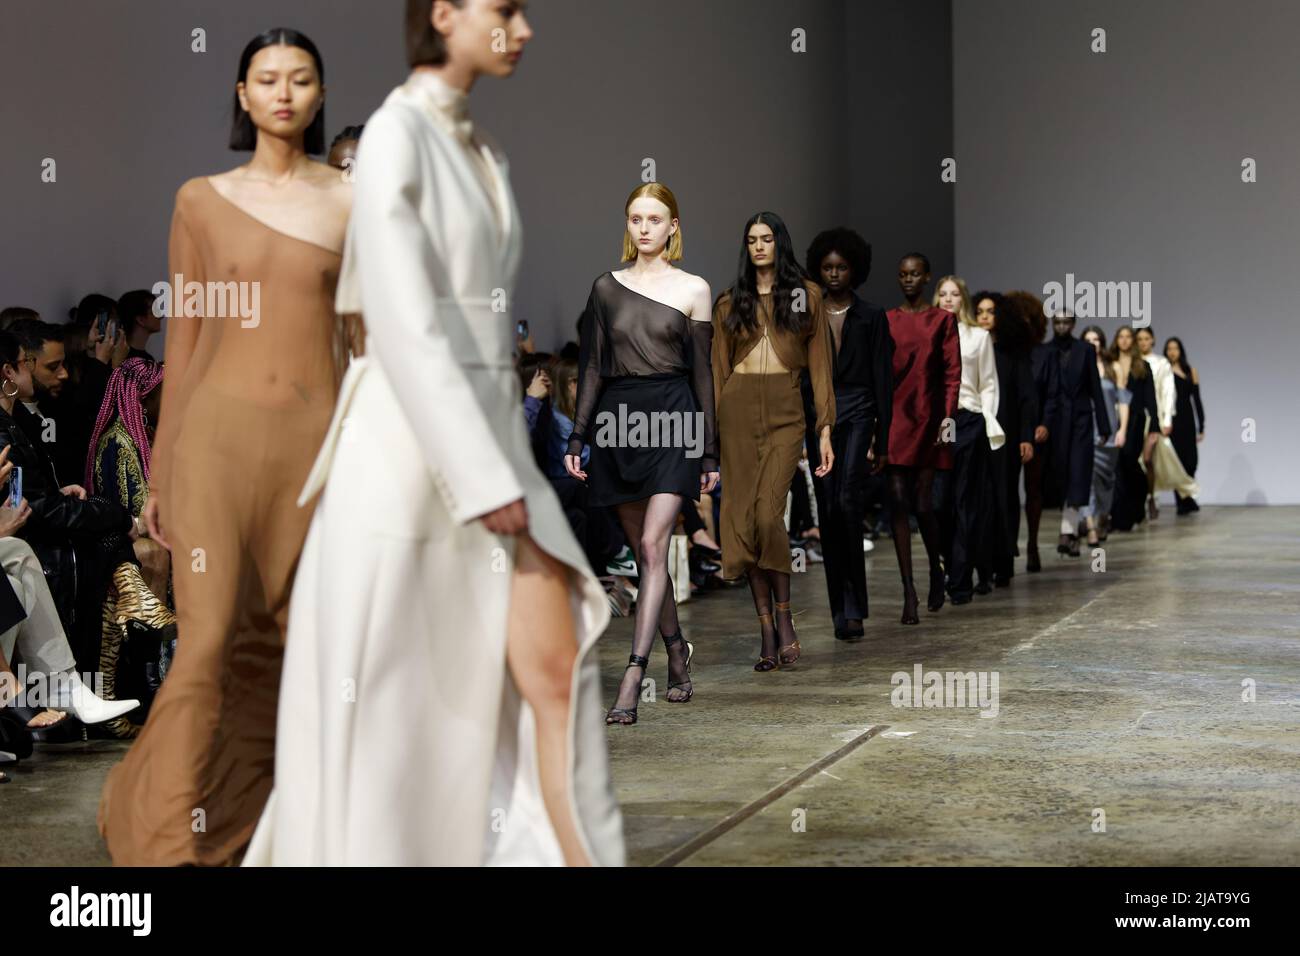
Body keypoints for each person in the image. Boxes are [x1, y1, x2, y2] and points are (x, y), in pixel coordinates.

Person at [245, 0, 624, 867]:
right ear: (445, 13)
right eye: (507, 10)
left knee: (550, 678)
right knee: (395, 714)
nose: (524, 29)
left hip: (482, 452)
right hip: (408, 463)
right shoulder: (395, 136)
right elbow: (402, 322)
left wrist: (498, 474)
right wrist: (485, 480)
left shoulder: (480, 148)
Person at [99, 26, 352, 866]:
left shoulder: (351, 204)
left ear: (319, 94)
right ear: (241, 97)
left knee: (283, 643)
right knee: (207, 644)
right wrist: (161, 474)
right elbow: (189, 343)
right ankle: (165, 835)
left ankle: (252, 828)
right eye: (266, 79)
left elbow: (363, 345)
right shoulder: (198, 200)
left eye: (300, 78)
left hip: (313, 452)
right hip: (214, 444)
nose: (283, 92)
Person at [566, 183, 717, 722]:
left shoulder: (694, 289)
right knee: (649, 554)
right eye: (636, 218)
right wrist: (578, 436)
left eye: (655, 218)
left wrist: (709, 453)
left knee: (654, 546)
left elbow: (703, 374)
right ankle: (677, 650)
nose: (645, 227)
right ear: (627, 225)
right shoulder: (605, 288)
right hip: (619, 423)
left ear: (673, 226)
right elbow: (590, 367)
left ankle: (634, 671)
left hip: (674, 420)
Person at [713, 212, 834, 669]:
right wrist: (711, 438)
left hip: (786, 413)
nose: (759, 247)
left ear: (780, 243)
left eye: (766, 239)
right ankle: (765, 628)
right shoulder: (731, 301)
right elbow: (717, 372)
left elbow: (820, 366)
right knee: (742, 525)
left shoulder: (806, 296)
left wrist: (825, 427)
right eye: (751, 240)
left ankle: (784, 617)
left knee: (768, 516)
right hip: (737, 413)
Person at [803, 227, 892, 640]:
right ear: (818, 269)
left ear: (855, 270)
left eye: (841, 267)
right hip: (820, 415)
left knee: (847, 502)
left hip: (859, 413)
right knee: (827, 507)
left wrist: (883, 437)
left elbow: (882, 379)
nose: (834, 274)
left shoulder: (872, 316)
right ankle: (840, 608)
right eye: (827, 267)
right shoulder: (807, 312)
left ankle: (854, 607)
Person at [884, 254, 959, 623]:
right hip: (896, 418)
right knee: (898, 502)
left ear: (926, 277)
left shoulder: (943, 320)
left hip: (929, 419)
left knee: (924, 504)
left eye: (914, 274)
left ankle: (935, 568)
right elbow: (881, 374)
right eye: (902, 274)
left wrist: (948, 417)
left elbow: (951, 372)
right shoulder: (888, 320)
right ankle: (908, 590)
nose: (908, 279)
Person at [935, 276, 1003, 602]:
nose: (949, 299)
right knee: (938, 502)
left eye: (955, 294)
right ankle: (950, 567)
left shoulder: (978, 336)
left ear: (964, 299)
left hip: (969, 419)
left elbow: (988, 382)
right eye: (943, 294)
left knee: (964, 499)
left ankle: (961, 578)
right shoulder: (927, 333)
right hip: (936, 424)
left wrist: (988, 419)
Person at [973, 291, 1035, 586]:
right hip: (975, 434)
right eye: (980, 311)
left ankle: (1005, 559)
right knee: (979, 497)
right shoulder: (969, 350)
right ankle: (983, 564)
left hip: (1006, 436)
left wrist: (1026, 437)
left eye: (991, 311)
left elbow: (1026, 397)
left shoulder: (1012, 353)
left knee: (1005, 496)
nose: (985, 316)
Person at [1040, 313, 1112, 556]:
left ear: (1073, 324)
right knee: (1061, 475)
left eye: (1066, 322)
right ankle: (1071, 531)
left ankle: (1067, 530)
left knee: (1078, 473)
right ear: (1053, 324)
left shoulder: (1085, 350)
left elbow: (1095, 389)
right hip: (1055, 423)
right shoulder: (1045, 350)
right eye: (1057, 322)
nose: (1061, 326)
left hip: (1081, 420)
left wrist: (1104, 426)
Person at [1079, 326, 1128, 545]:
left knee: (1106, 481)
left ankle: (1103, 517)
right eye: (1088, 339)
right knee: (1086, 479)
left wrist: (1122, 430)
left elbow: (1123, 401)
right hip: (1086, 429)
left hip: (1109, 431)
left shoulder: (1113, 367)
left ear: (1102, 342)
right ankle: (1090, 527)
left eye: (1096, 339)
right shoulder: (1078, 365)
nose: (1093, 343)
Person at [1108, 325, 1159, 532]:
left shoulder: (1142, 366)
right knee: (1117, 465)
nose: (1125, 340)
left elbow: (1151, 398)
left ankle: (1137, 503)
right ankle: (1121, 515)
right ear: (1116, 340)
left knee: (1129, 461)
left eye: (1129, 336)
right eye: (1121, 336)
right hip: (1113, 420)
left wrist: (1154, 427)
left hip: (1136, 420)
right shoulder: (1110, 364)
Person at [1134, 326, 1175, 520]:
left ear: (1153, 340)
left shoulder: (1161, 363)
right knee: (1135, 460)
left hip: (1154, 417)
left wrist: (1166, 420)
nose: (1143, 342)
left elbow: (1168, 392)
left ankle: (1151, 497)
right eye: (1139, 338)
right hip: (1134, 417)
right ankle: (1138, 499)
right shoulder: (1132, 363)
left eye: (1146, 338)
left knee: (1149, 459)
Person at [1163, 336, 1204, 514]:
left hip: (1187, 419)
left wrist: (1201, 424)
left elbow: (1197, 399)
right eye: (1169, 349)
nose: (1172, 352)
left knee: (1191, 461)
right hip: (1172, 419)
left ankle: (1188, 497)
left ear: (1181, 351)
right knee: (1176, 462)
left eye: (1176, 348)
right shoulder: (1163, 372)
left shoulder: (1190, 371)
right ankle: (1181, 502)